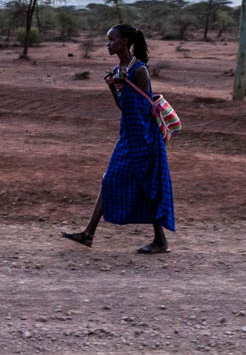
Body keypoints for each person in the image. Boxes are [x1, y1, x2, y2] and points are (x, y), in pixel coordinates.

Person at [63, 24, 175, 253]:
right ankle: (88, 234)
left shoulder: (139, 70)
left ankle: (159, 241)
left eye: (111, 40)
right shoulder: (120, 69)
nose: (108, 44)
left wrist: (125, 84)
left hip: (143, 137)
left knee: (146, 185)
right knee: (113, 180)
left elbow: (143, 107)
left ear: (124, 42)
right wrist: (114, 88)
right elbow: (123, 107)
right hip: (128, 135)